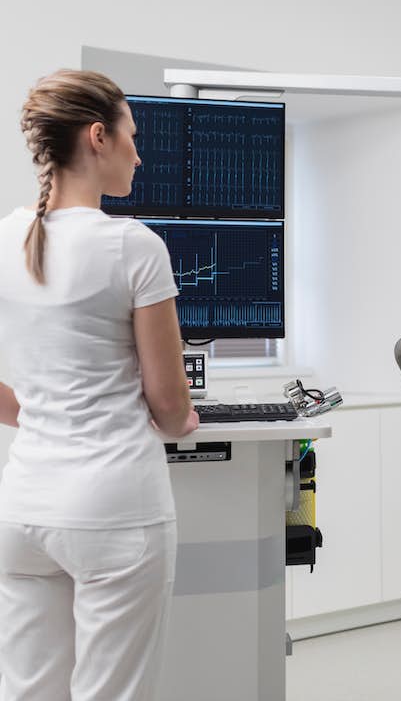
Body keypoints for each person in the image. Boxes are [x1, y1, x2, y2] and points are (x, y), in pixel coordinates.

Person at [0, 69, 198, 700]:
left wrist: (44, 413)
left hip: (23, 511)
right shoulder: (133, 247)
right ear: (97, 138)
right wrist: (187, 420)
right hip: (114, 511)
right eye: (131, 137)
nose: (139, 154)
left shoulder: (5, 237)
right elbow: (170, 410)